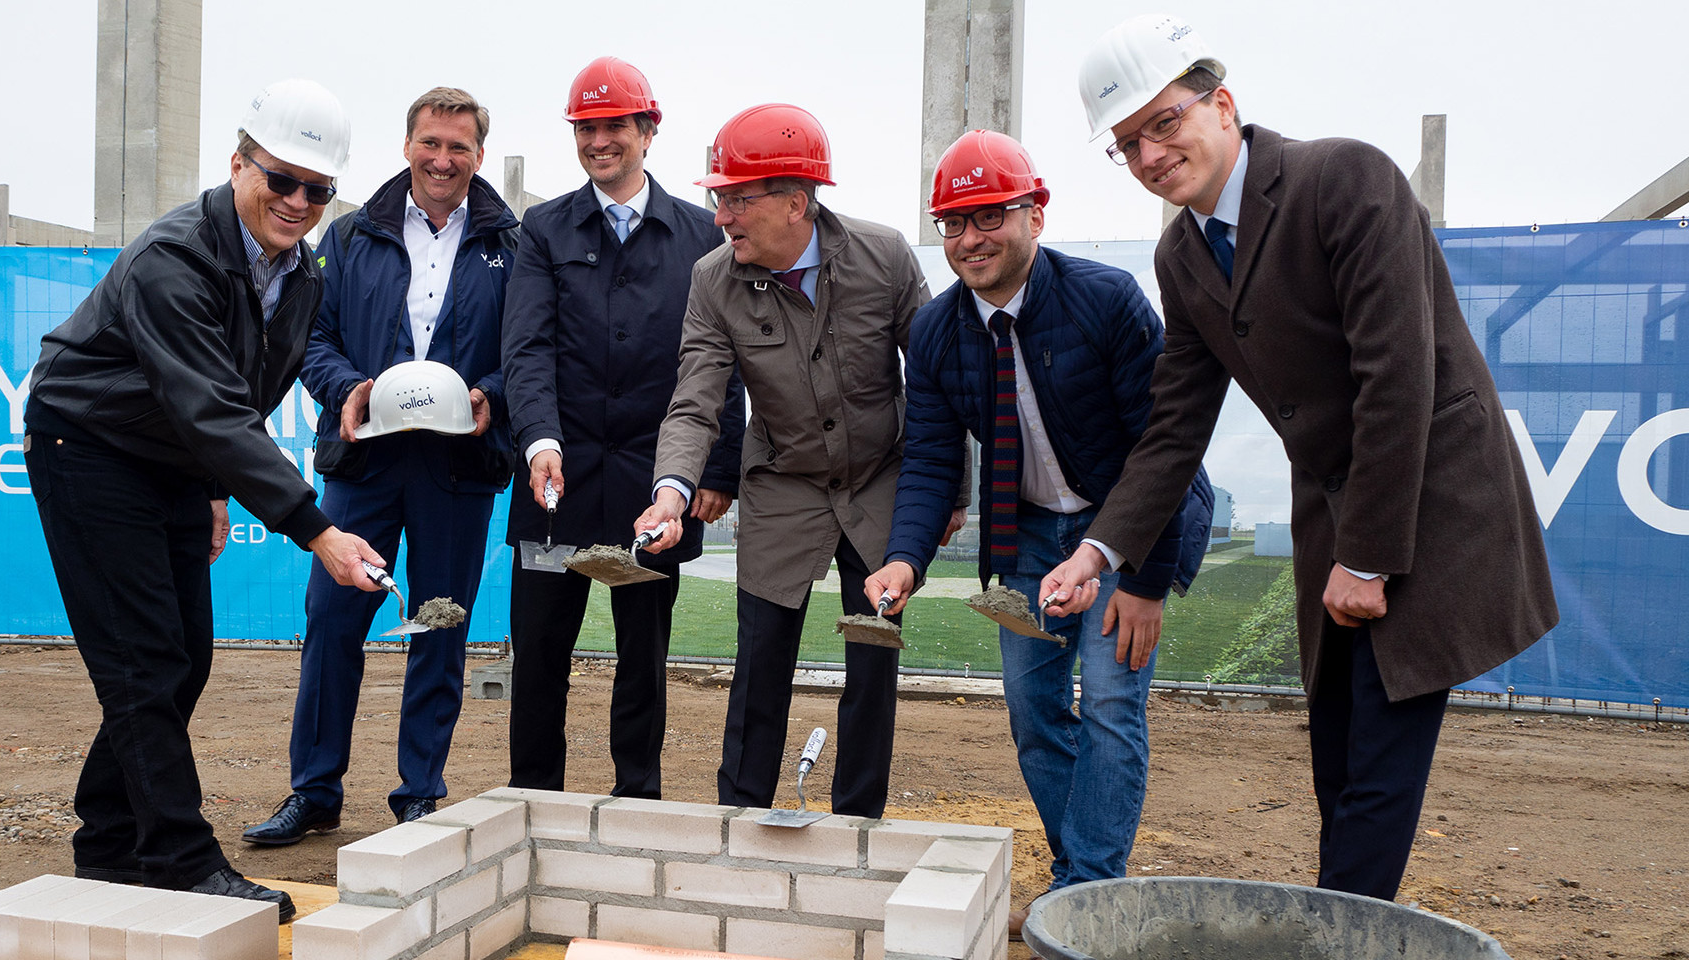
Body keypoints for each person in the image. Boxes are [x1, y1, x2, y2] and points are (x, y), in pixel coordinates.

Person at [1045, 14, 1559, 899]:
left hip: (1425, 499)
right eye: (1127, 145)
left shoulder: (1343, 178)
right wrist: (1099, 551)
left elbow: (1396, 377)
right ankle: (1342, 919)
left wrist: (1367, 556)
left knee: (1380, 761)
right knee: (1337, 752)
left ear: (1221, 104)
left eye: (1163, 123)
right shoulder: (1183, 253)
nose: (1151, 155)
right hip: (1336, 511)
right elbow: (1174, 428)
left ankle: (1339, 930)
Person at [23, 79, 382, 922]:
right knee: (142, 661)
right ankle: (179, 860)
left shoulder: (300, 276)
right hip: (90, 446)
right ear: (238, 163)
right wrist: (317, 531)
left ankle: (108, 847)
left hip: (174, 457)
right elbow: (211, 408)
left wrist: (217, 487)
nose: (297, 201)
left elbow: (241, 395)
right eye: (280, 178)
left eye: (317, 189)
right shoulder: (172, 258)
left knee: (183, 657)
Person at [864, 130, 1212, 899]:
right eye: (952, 222)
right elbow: (927, 460)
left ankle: (1087, 887)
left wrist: (1142, 579)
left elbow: (1166, 448)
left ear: (1036, 214)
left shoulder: (1105, 299)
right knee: (1032, 711)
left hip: (1123, 529)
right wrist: (904, 559)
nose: (969, 238)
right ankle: (1078, 872)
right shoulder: (934, 332)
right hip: (1026, 537)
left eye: (989, 216)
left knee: (1114, 704)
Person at [634, 103, 941, 819]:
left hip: (879, 482)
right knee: (761, 658)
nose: (722, 216)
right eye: (718, 198)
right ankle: (738, 818)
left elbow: (935, 381)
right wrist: (672, 491)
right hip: (784, 487)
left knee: (874, 656)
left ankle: (857, 821)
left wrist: (946, 490)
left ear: (796, 201)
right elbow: (696, 397)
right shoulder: (713, 280)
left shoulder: (885, 256)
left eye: (738, 199)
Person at [243, 86, 520, 844]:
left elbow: (525, 351)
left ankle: (419, 795)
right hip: (364, 465)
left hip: (458, 467)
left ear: (479, 157)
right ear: (407, 146)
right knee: (333, 621)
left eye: (458, 146)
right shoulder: (351, 235)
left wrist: (490, 396)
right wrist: (350, 392)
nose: (442, 158)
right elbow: (312, 338)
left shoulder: (510, 243)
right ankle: (314, 792)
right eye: (430, 142)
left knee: (439, 627)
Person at [501, 57, 744, 799]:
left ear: (647, 130)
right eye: (586, 128)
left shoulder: (704, 233)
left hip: (655, 488)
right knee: (539, 654)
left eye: (614, 127)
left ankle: (637, 796)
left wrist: (717, 468)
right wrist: (540, 440)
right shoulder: (542, 229)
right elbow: (527, 347)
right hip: (557, 485)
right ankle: (533, 799)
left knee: (645, 655)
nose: (599, 141)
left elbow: (723, 361)